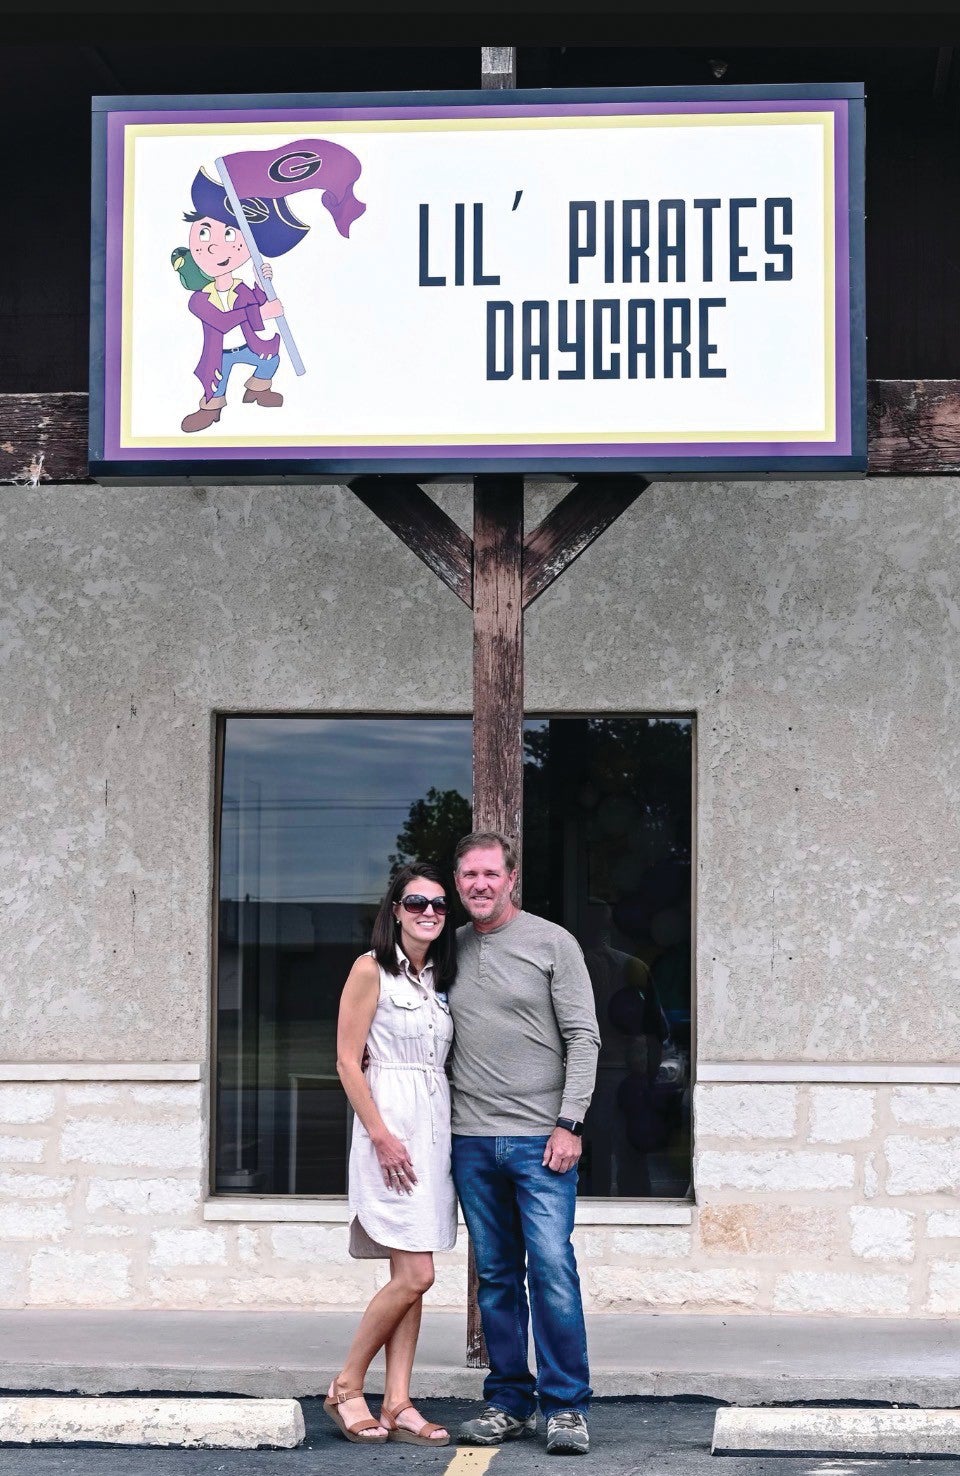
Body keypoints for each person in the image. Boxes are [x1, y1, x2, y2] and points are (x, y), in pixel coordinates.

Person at [449, 831, 601, 1456]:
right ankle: (509, 1399)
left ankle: (565, 1407)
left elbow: (585, 1038)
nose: (479, 885)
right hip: (471, 1141)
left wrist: (571, 1122)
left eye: (490, 873)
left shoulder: (551, 942)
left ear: (511, 877)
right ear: (458, 883)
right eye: (468, 876)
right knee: (495, 1277)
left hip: (542, 1141)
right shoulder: (449, 947)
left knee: (552, 1269)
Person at [324, 862, 457, 1446]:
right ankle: (347, 1386)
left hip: (433, 1135)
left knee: (416, 1274)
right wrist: (378, 1133)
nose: (428, 912)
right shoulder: (370, 969)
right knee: (415, 1272)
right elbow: (347, 1061)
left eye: (438, 905)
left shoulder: (439, 980)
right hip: (390, 1132)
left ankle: (398, 1400)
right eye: (416, 903)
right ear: (395, 911)